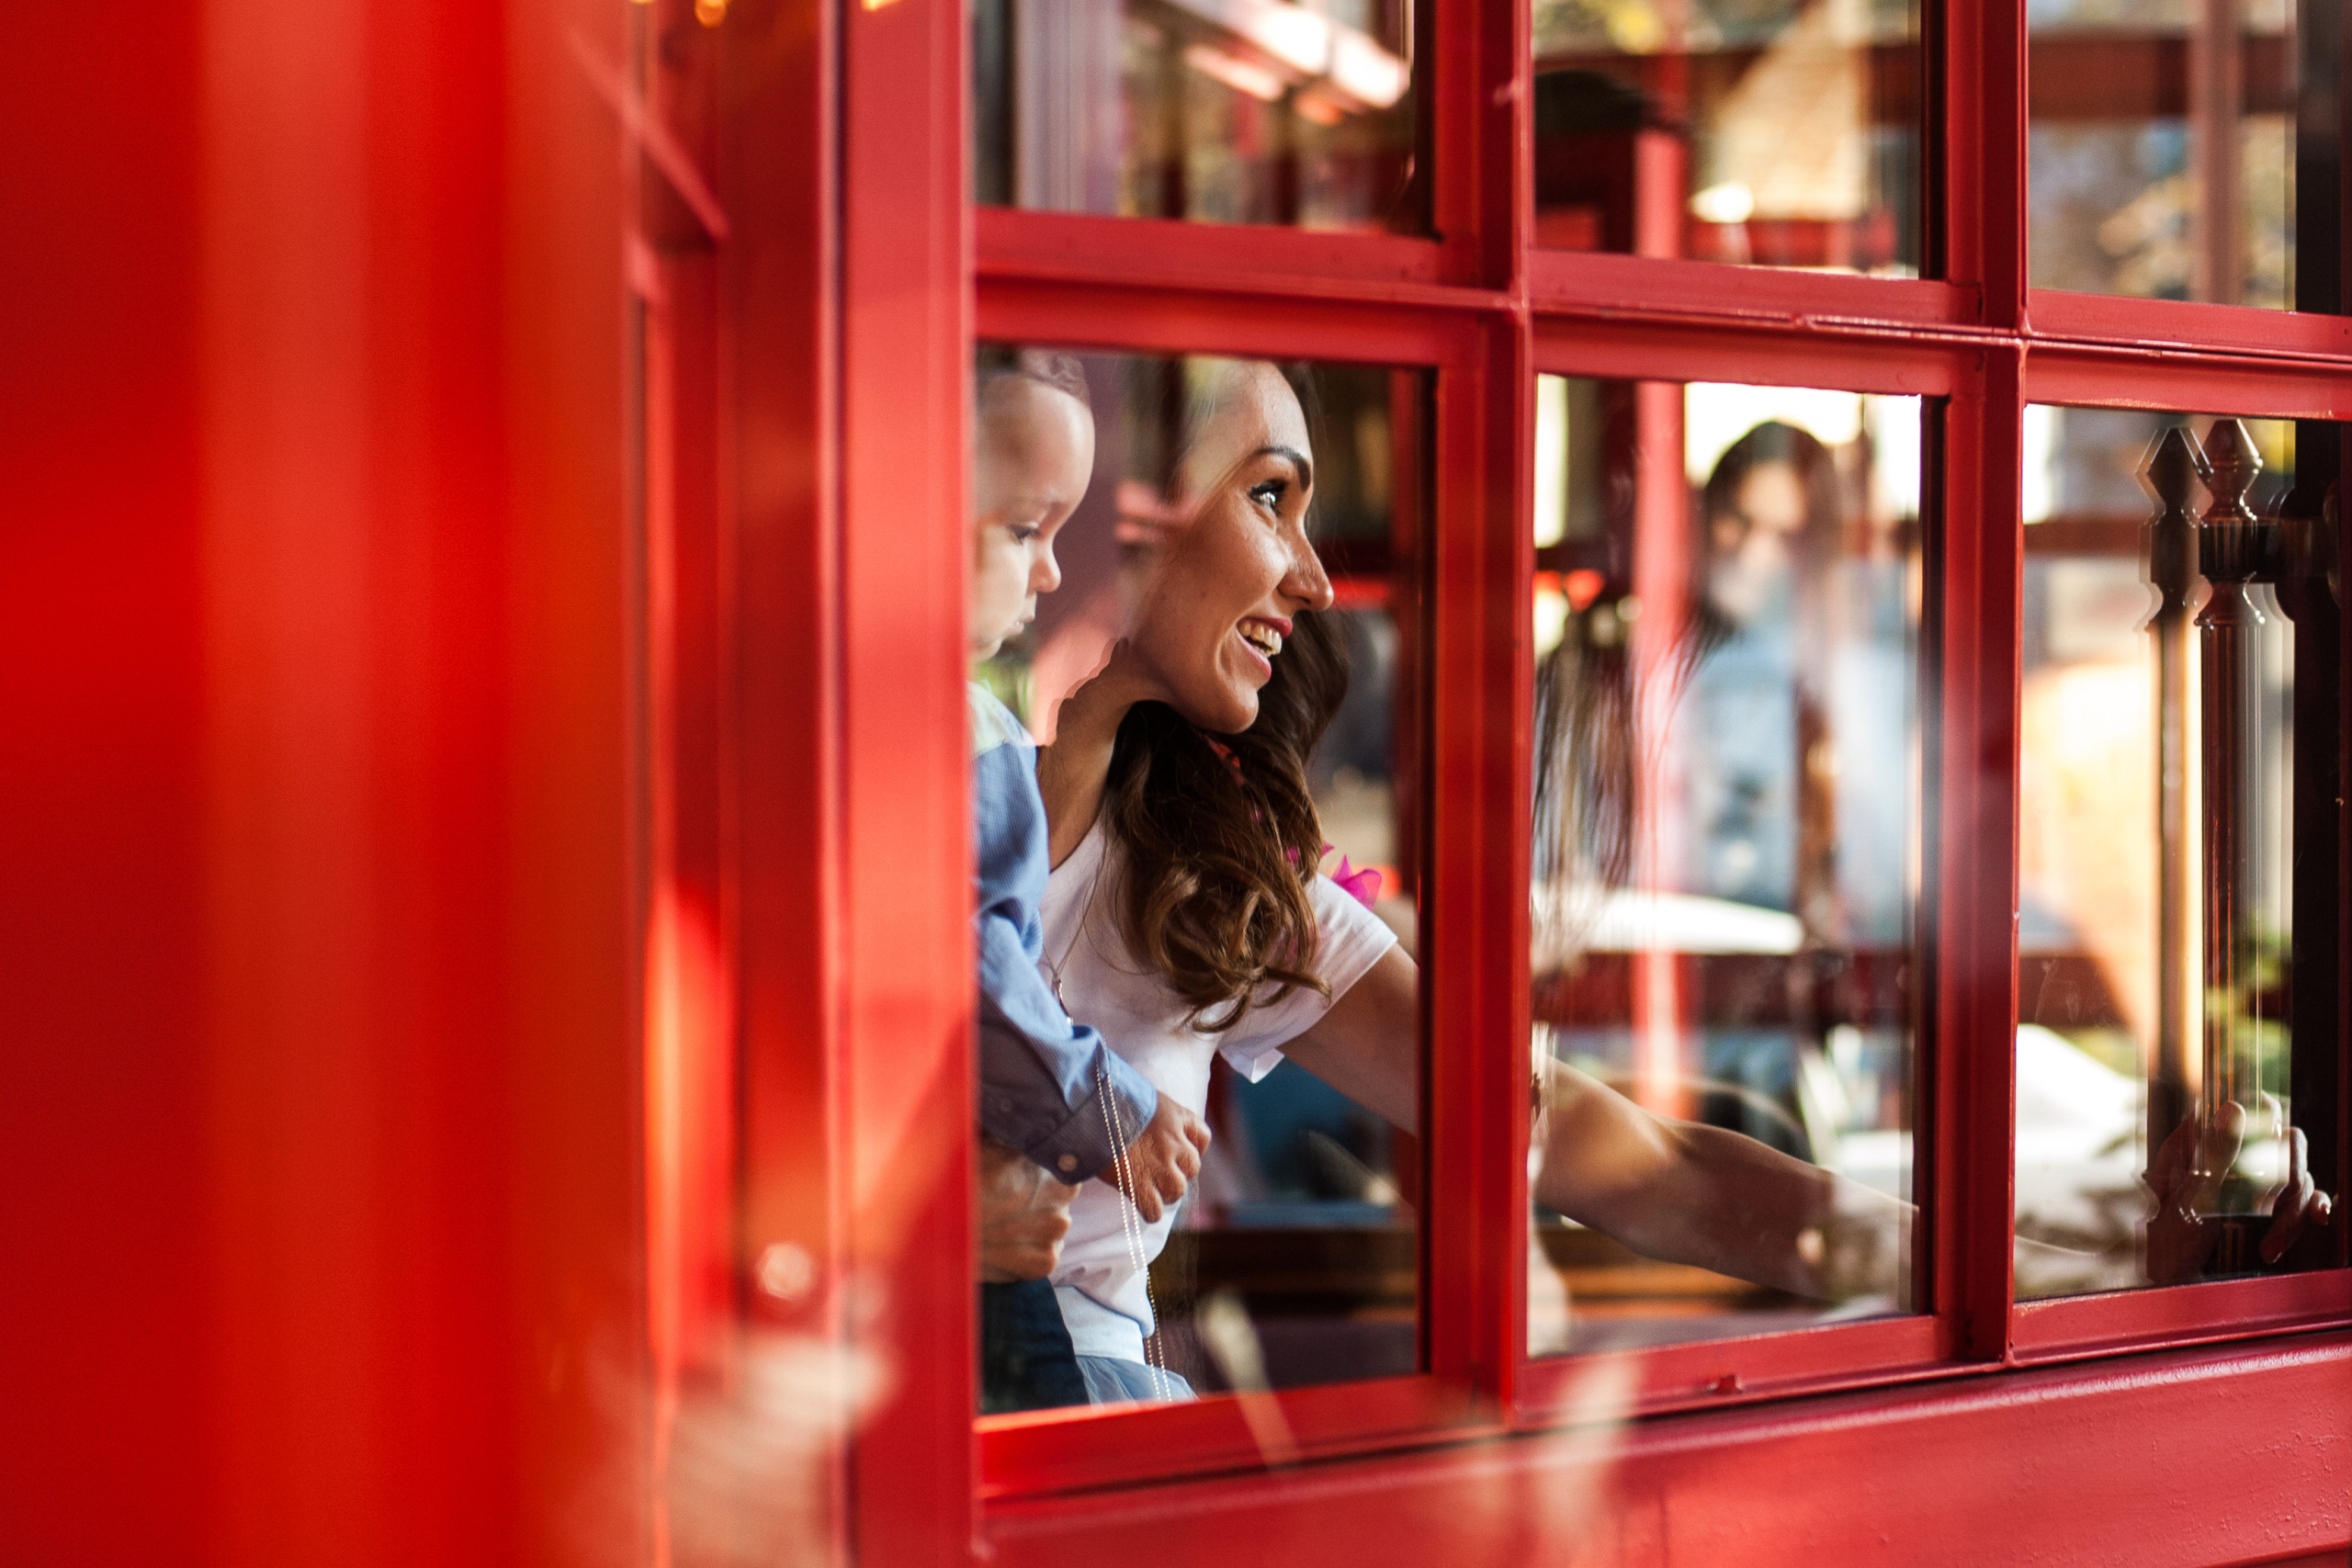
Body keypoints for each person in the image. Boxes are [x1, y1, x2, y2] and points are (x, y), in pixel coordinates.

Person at [1033, 360, 1924, 1406]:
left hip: (1092, 1438)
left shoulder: (1213, 875)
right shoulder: (905, 805)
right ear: (1124, 506)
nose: (1313, 579)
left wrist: (1973, 1264)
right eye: (1269, 496)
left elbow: (1632, 1160)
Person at [965, 353, 1212, 1412]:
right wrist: (1110, 1109)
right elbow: (976, 975)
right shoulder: (965, 735)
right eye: (1024, 529)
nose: (1051, 574)